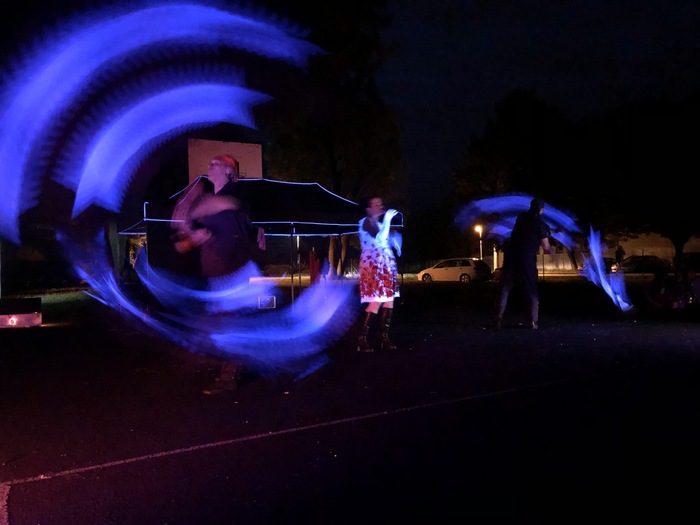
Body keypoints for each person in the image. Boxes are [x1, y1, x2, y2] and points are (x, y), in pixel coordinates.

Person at [171, 154, 264, 394]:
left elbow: (226, 204)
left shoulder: (237, 192)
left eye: (217, 163)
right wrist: (191, 235)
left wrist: (191, 208)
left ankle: (229, 376)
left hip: (234, 268)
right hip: (215, 271)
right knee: (223, 323)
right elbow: (182, 245)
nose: (210, 166)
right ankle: (236, 365)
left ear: (230, 171)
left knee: (229, 323)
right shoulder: (206, 208)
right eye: (209, 163)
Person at [495, 197, 552, 330]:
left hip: (511, 257)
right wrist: (550, 247)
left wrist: (551, 231)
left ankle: (498, 318)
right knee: (531, 289)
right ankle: (533, 321)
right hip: (527, 261)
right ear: (542, 210)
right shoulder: (541, 225)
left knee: (505, 288)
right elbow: (546, 246)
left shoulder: (521, 218)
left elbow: (529, 231)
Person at [356, 196, 401, 352]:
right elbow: (379, 238)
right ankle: (361, 339)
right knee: (376, 301)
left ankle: (383, 338)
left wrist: (396, 241)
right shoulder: (365, 222)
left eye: (381, 203)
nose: (380, 206)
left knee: (389, 300)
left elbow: (386, 241)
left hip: (385, 265)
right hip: (373, 266)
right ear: (368, 209)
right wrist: (388, 220)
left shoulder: (381, 225)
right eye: (376, 204)